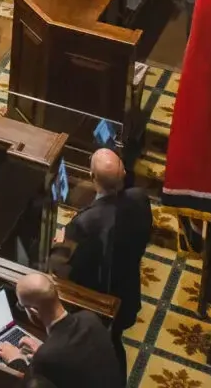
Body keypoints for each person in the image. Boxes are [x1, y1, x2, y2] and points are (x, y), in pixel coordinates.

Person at [56, 148, 152, 369]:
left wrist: (61, 241)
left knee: (103, 353)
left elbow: (64, 268)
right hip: (127, 292)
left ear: (92, 177)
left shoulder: (85, 224)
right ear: (124, 173)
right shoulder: (140, 198)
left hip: (96, 303)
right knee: (115, 343)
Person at [0, 271, 124, 386]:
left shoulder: (46, 358)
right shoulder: (90, 319)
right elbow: (77, 362)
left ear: (33, 311)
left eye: (22, 306)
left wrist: (16, 361)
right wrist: (42, 352)